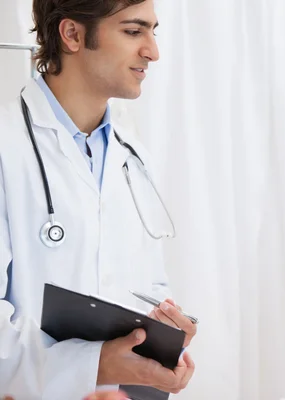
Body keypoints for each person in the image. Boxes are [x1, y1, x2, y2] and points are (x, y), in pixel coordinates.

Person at [0, 0, 196, 398]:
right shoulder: (7, 145)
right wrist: (94, 364)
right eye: (133, 31)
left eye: (152, 32)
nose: (152, 51)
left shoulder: (131, 153)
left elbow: (148, 284)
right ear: (72, 35)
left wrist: (166, 334)